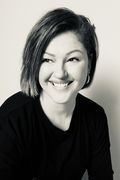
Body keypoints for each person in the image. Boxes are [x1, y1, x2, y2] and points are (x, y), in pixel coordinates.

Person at [0, 7, 114, 180]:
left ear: (89, 64)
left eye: (72, 59)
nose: (60, 72)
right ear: (34, 64)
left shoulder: (95, 117)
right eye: (47, 59)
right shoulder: (12, 119)